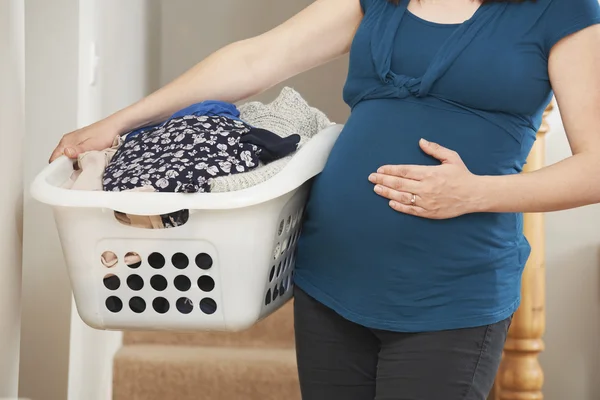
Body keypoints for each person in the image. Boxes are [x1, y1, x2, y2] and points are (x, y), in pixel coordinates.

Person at [50, 0, 600, 398]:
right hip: (330, 285)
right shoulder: (380, 2)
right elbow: (254, 60)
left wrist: (477, 193)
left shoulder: (561, 10)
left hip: (450, 298)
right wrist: (118, 122)